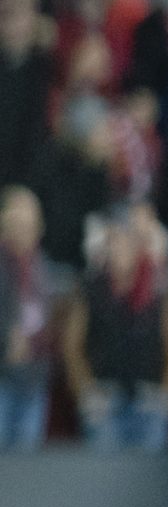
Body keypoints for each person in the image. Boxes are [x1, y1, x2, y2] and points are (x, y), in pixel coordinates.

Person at [60, 206, 168, 451]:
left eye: (127, 242)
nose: (120, 248)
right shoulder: (89, 287)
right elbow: (72, 345)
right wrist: (84, 391)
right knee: (104, 478)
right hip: (103, 399)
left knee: (150, 479)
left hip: (150, 398)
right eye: (114, 242)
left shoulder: (160, 287)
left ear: (139, 247)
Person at [0, 186, 69, 448]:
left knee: (28, 466)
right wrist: (7, 341)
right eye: (17, 221)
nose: (24, 228)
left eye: (29, 222)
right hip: (3, 375)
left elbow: (47, 318)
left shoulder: (43, 266)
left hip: (34, 377)